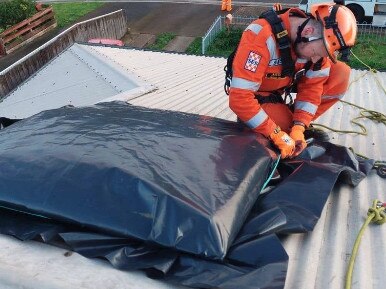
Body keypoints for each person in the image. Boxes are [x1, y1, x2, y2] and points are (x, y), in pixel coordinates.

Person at [228, 3, 357, 158]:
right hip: (258, 94)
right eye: (316, 52)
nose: (316, 59)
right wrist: (275, 134)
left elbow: (312, 91)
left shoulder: (317, 50)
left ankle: (291, 122)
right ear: (308, 31)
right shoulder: (261, 35)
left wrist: (299, 126)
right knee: (281, 133)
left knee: (340, 72)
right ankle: (263, 119)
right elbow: (239, 98)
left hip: (283, 85)